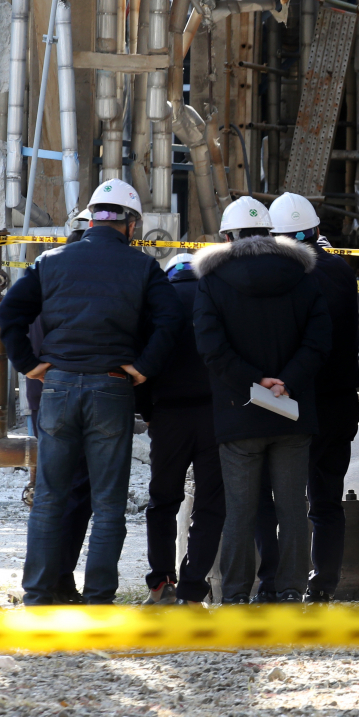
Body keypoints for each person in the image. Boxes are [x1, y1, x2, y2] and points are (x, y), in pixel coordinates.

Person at [0, 181, 183, 606]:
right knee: (108, 504)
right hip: (111, 387)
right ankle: (99, 598)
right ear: (131, 224)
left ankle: (38, 596)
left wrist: (29, 364)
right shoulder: (142, 267)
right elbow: (170, 320)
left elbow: (10, 311)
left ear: (93, 217)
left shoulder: (51, 260)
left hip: (58, 387)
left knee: (48, 498)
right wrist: (142, 369)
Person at [192, 196, 332, 605]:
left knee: (239, 511)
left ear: (226, 236)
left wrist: (253, 381)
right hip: (292, 410)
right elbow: (319, 341)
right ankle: (290, 590)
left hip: (240, 414)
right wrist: (286, 380)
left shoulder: (213, 281)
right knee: (292, 509)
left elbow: (211, 348)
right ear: (271, 234)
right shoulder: (304, 276)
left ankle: (235, 595)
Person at [254, 192, 359, 603]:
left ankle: (281, 585)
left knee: (283, 500)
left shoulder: (284, 276)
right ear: (317, 230)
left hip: (296, 403)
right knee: (326, 500)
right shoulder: (343, 271)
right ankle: (323, 587)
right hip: (340, 403)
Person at [140, 252, 225, 605]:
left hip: (168, 417)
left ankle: (160, 583)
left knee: (163, 500)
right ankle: (192, 591)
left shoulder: (158, 301)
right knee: (209, 505)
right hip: (213, 417)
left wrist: (147, 412)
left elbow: (145, 360)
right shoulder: (215, 299)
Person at [23, 207, 95, 604]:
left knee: (53, 492)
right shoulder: (86, 275)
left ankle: (45, 583)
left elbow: (22, 330)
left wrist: (34, 369)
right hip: (80, 393)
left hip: (45, 396)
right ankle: (59, 579)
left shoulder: (44, 269)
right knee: (76, 492)